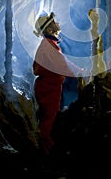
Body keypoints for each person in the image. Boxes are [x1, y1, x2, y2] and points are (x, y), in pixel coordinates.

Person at [32, 11, 85, 155]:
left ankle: (47, 146)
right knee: (49, 118)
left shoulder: (50, 44)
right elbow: (63, 64)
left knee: (50, 116)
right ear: (49, 30)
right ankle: (46, 150)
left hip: (50, 86)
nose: (58, 24)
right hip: (48, 88)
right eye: (54, 22)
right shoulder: (49, 46)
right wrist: (80, 72)